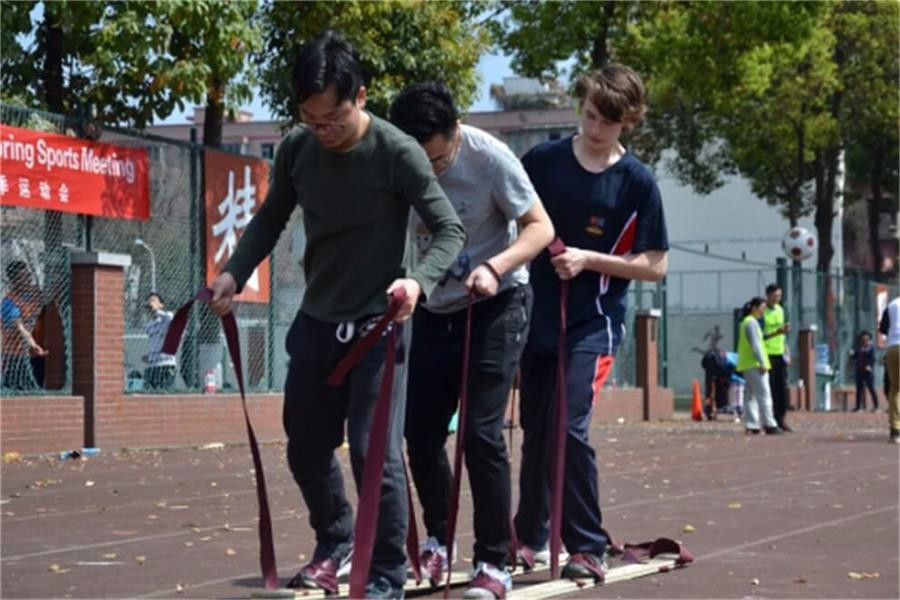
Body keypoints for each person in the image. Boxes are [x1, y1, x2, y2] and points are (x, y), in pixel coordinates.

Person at [207, 32, 465, 598]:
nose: (324, 130)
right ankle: (337, 541)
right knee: (304, 443)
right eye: (311, 118)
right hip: (319, 320)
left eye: (335, 118)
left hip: (380, 322)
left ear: (361, 97)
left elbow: (450, 229)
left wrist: (417, 283)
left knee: (376, 454)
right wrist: (233, 271)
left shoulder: (398, 152)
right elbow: (269, 219)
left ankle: (385, 576)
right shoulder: (298, 150)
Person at [389, 82, 554, 598]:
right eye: (421, 164)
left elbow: (540, 228)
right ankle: (439, 537)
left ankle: (493, 560)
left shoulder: (491, 158)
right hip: (433, 308)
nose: (430, 174)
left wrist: (495, 265)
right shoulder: (394, 161)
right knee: (418, 432)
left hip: (496, 302)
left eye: (437, 161)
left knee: (481, 434)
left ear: (455, 134)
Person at [512, 64, 668, 582]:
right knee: (534, 431)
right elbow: (509, 215)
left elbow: (655, 265)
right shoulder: (542, 161)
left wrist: (588, 259)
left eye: (606, 121)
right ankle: (528, 536)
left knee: (568, 429)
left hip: (594, 324)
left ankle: (585, 543)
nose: (594, 128)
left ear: (629, 121)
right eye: (588, 115)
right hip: (536, 318)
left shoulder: (638, 182)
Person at [737, 297, 782, 435]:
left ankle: (752, 424)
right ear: (754, 308)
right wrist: (762, 362)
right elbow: (756, 344)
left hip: (747, 363)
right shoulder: (751, 323)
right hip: (755, 364)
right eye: (762, 308)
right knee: (764, 394)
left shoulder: (746, 322)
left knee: (751, 395)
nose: (763, 311)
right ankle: (769, 423)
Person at [1, 260, 47, 390]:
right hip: (16, 356)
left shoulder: (37, 294)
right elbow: (20, 327)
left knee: (37, 388)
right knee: (17, 390)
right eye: (22, 277)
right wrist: (33, 345)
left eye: (27, 276)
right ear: (14, 281)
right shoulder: (9, 301)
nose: (27, 280)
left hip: (36, 355)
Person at [762, 284, 792, 431]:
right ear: (767, 295)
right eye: (774, 296)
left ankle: (781, 418)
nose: (777, 299)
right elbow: (760, 336)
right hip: (767, 354)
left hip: (779, 354)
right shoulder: (762, 312)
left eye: (779, 296)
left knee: (781, 388)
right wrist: (777, 332)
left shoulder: (780, 310)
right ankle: (771, 419)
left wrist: (787, 351)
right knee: (770, 389)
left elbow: (783, 335)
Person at [142, 293, 177, 390]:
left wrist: (157, 311)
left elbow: (170, 317)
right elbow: (154, 343)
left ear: (161, 304)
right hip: (153, 365)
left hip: (166, 364)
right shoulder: (149, 325)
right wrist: (149, 356)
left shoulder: (165, 319)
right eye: (149, 301)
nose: (150, 302)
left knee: (166, 393)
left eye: (153, 300)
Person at [878, 296, 900, 443]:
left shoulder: (893, 304)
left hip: (893, 347)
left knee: (895, 389)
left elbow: (883, 329)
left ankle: (895, 431)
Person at [849, 331, 878, 412]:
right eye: (863, 339)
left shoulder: (871, 348)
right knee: (859, 389)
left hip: (868, 372)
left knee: (871, 388)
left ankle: (876, 406)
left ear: (869, 340)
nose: (865, 341)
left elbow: (873, 359)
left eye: (866, 339)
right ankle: (858, 407)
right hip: (859, 371)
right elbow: (855, 357)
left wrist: (869, 366)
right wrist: (852, 354)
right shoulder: (860, 348)